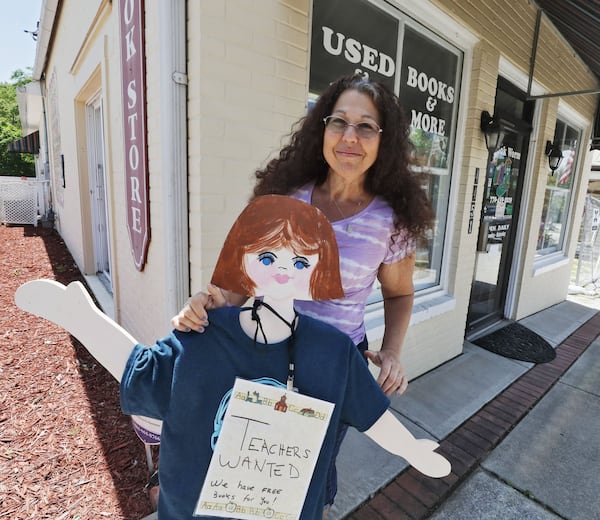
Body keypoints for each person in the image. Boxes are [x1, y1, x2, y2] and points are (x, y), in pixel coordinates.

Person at [15, 196, 450, 520]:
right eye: (267, 256)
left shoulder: (333, 352)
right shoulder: (201, 336)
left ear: (319, 269)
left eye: (300, 260)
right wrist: (82, 319)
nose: (282, 269)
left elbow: (370, 413)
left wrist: (412, 449)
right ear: (242, 259)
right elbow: (138, 369)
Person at [171, 72, 435, 507]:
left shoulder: (392, 220)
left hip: (335, 363)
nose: (350, 136)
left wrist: (392, 351)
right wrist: (208, 302)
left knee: (312, 469)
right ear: (322, 129)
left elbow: (399, 294)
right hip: (263, 348)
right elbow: (241, 279)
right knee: (251, 460)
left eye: (366, 126)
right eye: (339, 122)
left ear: (383, 140)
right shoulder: (285, 196)